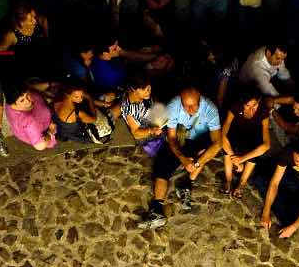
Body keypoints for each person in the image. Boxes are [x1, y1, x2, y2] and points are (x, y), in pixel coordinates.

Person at [139, 86, 222, 229]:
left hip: (200, 140)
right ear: (181, 102)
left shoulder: (210, 109)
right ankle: (157, 209)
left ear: (200, 100)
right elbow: (171, 138)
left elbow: (217, 143)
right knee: (161, 166)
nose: (190, 110)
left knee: (207, 151)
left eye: (193, 106)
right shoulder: (173, 106)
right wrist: (182, 158)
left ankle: (187, 184)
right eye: (186, 106)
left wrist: (196, 163)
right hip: (181, 139)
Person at [252, 138, 299, 238]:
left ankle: (281, 199)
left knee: (292, 220)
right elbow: (275, 182)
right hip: (290, 176)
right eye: (297, 161)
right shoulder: (288, 152)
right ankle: (280, 198)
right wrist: (266, 212)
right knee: (259, 178)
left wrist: (293, 227)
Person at [220, 93, 270, 196]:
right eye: (248, 105)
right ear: (243, 104)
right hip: (236, 134)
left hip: (253, 138)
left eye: (255, 105)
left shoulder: (263, 110)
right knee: (226, 142)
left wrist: (242, 159)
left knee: (257, 150)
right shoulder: (235, 106)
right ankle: (228, 180)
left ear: (259, 102)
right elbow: (222, 135)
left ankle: (241, 184)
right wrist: (236, 160)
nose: (252, 109)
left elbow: (266, 145)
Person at [116, 73, 166, 151]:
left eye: (150, 88)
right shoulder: (129, 109)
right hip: (146, 131)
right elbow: (136, 133)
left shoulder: (138, 93)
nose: (149, 92)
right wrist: (151, 130)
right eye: (147, 90)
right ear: (136, 90)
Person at [4, 85, 55, 151]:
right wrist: (51, 131)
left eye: (27, 95)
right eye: (22, 100)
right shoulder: (28, 122)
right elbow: (40, 146)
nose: (28, 101)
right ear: (13, 104)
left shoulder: (11, 99)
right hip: (46, 128)